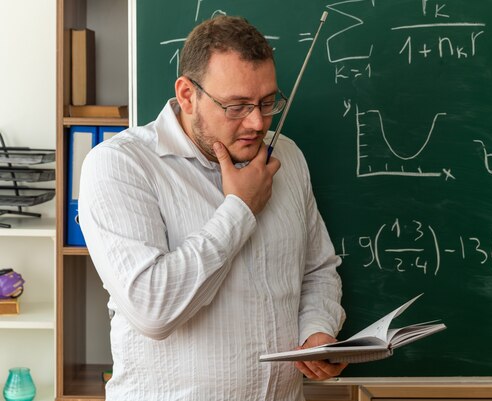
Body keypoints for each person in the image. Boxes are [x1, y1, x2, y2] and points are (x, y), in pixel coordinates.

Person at [78, 15, 346, 401]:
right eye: (236, 106)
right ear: (188, 95)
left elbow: (317, 269)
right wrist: (240, 208)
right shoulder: (119, 166)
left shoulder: (286, 154)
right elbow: (154, 310)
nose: (257, 122)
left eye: (268, 102)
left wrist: (317, 329)